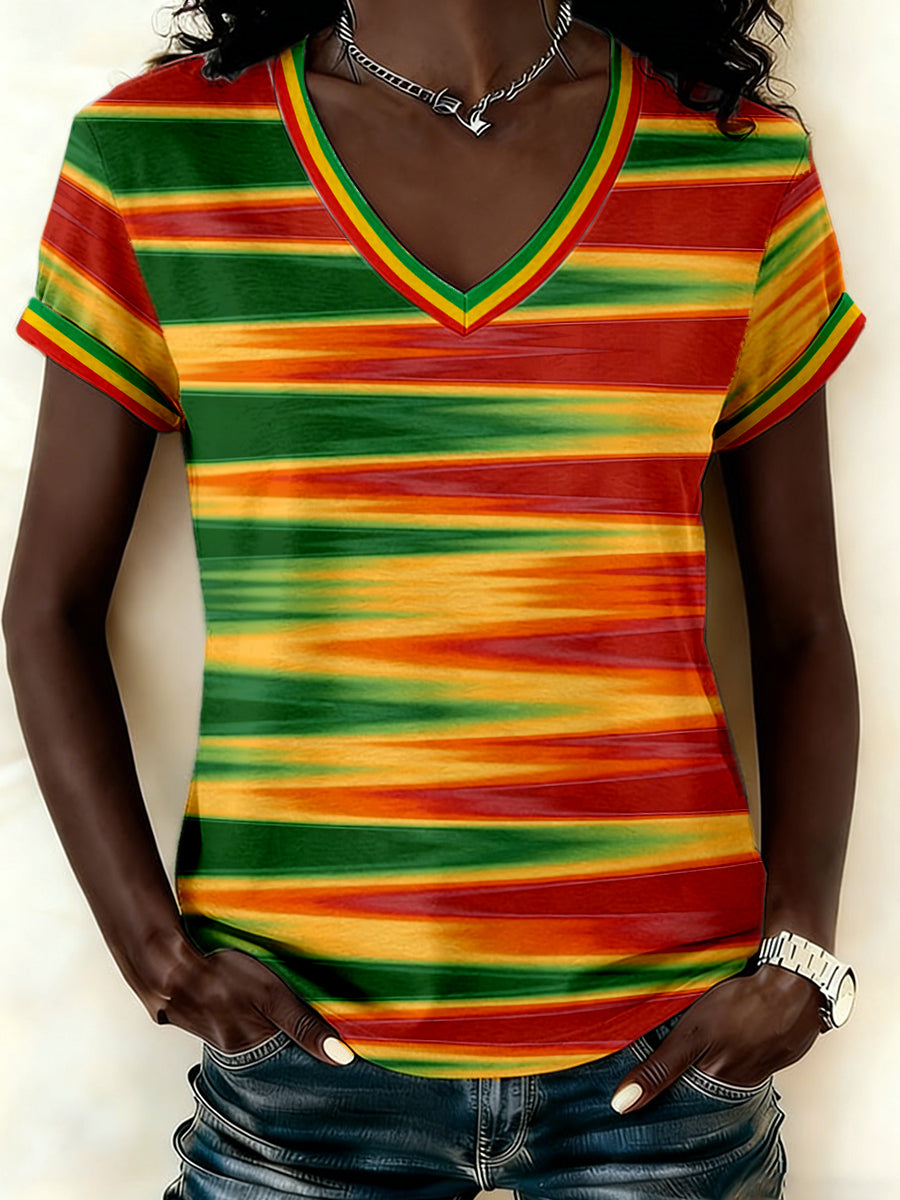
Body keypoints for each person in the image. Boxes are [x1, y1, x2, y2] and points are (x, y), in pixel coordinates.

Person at [3, 1, 864, 1196]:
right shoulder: (160, 158)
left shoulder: (734, 162)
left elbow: (804, 620)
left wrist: (801, 962)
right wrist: (154, 954)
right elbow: (46, 604)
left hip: (669, 1053)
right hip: (301, 1052)